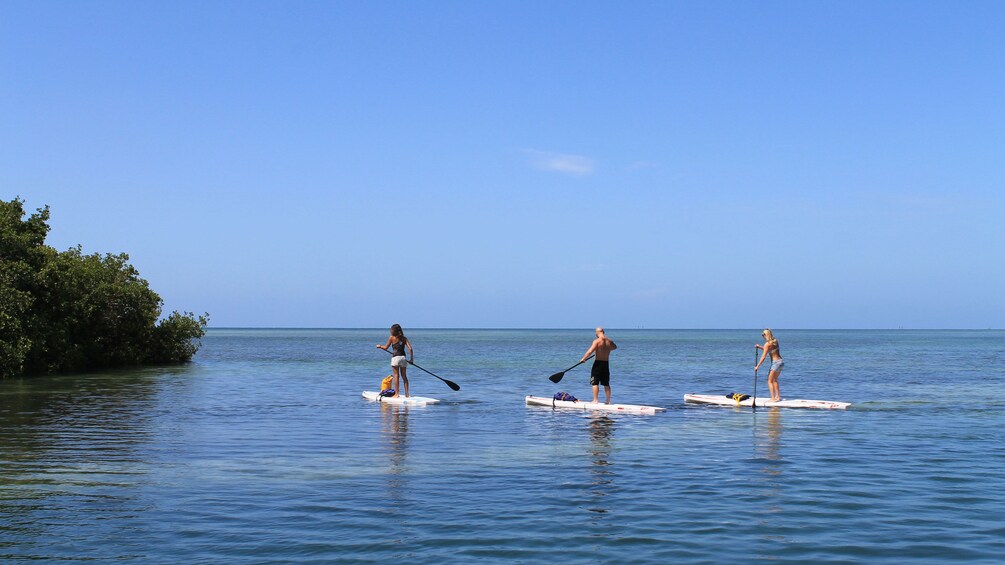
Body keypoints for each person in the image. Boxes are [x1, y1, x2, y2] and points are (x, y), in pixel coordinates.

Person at [580, 327, 618, 404]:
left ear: (597, 333)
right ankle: (608, 401)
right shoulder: (609, 341)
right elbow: (615, 347)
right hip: (606, 364)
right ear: (603, 332)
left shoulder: (597, 341)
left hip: (598, 364)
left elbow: (590, 351)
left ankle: (595, 400)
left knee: (595, 382)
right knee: (606, 383)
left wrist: (583, 359)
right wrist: (605, 349)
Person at [376, 324, 413, 398]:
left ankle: (396, 394)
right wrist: (411, 359)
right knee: (404, 376)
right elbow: (410, 349)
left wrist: (380, 346)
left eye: (391, 330)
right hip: (403, 358)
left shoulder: (391, 338)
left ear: (394, 331)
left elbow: (386, 347)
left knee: (396, 376)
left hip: (395, 358)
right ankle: (407, 394)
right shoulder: (404, 338)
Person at [755, 328, 783, 401]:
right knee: (775, 380)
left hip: (775, 363)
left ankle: (773, 398)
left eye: (763, 335)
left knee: (769, 380)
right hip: (781, 362)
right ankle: (778, 397)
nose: (762, 336)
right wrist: (759, 347)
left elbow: (763, 357)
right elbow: (767, 349)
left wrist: (757, 366)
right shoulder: (775, 341)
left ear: (766, 335)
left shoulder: (767, 344)